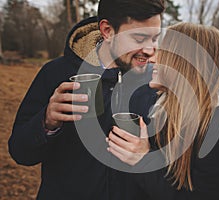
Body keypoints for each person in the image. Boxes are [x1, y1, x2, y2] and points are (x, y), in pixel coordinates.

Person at [8, 0, 165, 199]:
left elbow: (182, 171)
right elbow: (20, 153)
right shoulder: (56, 73)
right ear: (107, 31)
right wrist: (46, 122)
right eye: (139, 38)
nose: (151, 50)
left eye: (155, 38)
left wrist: (147, 157)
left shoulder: (157, 83)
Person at [108, 22, 219, 199]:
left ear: (185, 62)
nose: (152, 58)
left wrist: (143, 160)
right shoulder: (165, 113)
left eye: (163, 53)